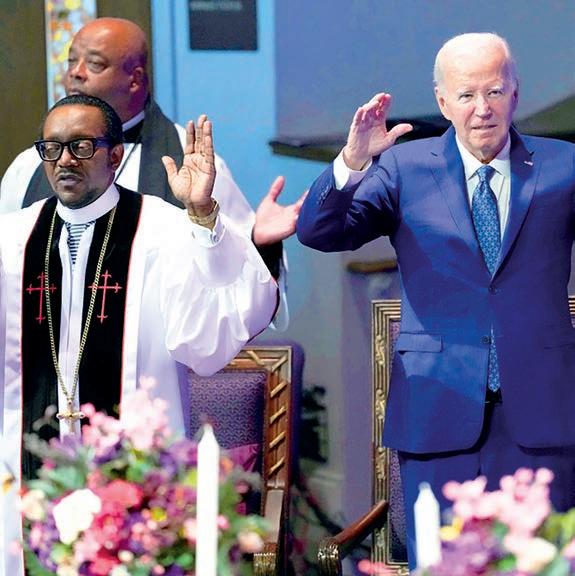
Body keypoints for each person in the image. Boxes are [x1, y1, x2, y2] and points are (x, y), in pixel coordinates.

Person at [297, 32, 575, 569]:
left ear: (515, 93)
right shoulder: (403, 168)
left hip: (545, 412)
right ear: (443, 101)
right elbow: (320, 232)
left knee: (544, 564)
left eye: (494, 91)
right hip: (440, 411)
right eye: (466, 95)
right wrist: (352, 161)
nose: (482, 109)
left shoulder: (564, 165)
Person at [0, 94, 278, 576]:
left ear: (115, 155)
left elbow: (215, 328)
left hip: (137, 462)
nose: (65, 160)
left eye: (81, 146)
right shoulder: (11, 239)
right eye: (53, 148)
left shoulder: (165, 230)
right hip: (23, 466)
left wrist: (205, 216)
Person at [0, 17, 302, 328]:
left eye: (95, 64)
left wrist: (260, 243)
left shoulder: (190, 163)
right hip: (44, 341)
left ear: (134, 79)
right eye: (71, 61)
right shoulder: (30, 166)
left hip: (147, 345)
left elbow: (230, 283)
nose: (76, 72)